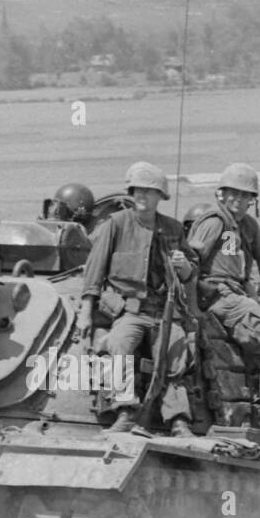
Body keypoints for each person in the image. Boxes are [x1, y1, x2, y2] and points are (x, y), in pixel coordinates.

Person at [77, 161, 197, 436]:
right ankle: (126, 411)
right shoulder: (116, 225)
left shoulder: (174, 230)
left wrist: (184, 266)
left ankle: (178, 420)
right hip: (130, 311)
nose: (142, 196)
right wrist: (85, 311)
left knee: (175, 351)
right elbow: (94, 271)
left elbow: (191, 275)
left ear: (160, 197)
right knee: (118, 344)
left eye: (149, 191)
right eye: (137, 191)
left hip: (163, 312)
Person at [187, 163, 260, 435]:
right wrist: (194, 304)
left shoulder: (244, 225)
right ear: (221, 194)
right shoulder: (215, 222)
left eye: (246, 197)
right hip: (220, 296)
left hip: (241, 293)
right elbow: (193, 259)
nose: (239, 201)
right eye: (234, 194)